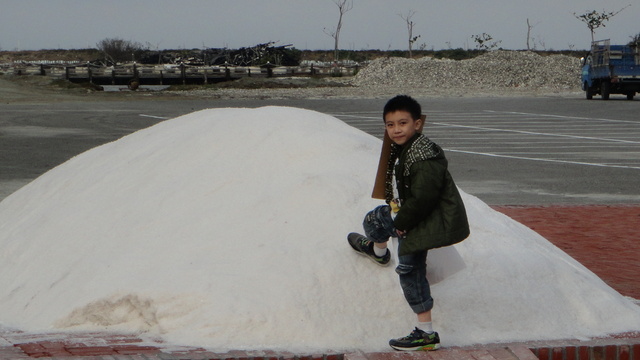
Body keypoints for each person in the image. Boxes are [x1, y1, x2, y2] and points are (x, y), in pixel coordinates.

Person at [348, 95, 470, 351]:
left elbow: (424, 198)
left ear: (418, 124)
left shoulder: (424, 157)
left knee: (410, 272)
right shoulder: (406, 149)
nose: (396, 129)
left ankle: (426, 333)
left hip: (420, 221)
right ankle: (378, 251)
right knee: (373, 220)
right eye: (390, 125)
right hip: (405, 214)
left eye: (402, 123)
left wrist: (401, 223)